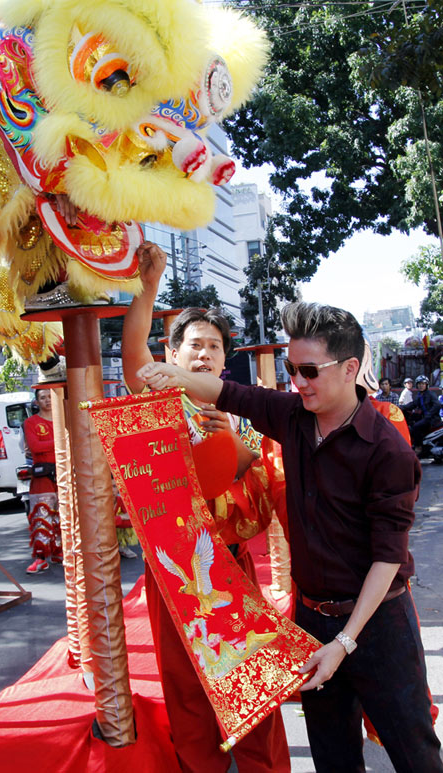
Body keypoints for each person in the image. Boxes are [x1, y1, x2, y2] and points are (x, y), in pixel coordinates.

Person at [137, 301, 443, 773]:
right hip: (311, 620)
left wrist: (343, 642)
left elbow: (388, 559)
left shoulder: (387, 449)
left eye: (308, 371)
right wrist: (172, 376)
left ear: (349, 369)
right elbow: (228, 391)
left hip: (377, 623)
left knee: (414, 753)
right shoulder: (293, 417)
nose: (296, 382)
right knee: (333, 756)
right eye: (289, 369)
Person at [121, 241, 290, 773]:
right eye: (193, 345)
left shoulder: (244, 415)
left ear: (225, 359)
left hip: (232, 570)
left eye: (214, 347)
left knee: (253, 698)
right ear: (172, 356)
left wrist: (239, 456)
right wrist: (148, 290)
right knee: (188, 696)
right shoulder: (160, 410)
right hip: (174, 577)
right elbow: (132, 362)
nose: (204, 355)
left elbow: (263, 504)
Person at [23, 388, 62, 573]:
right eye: (43, 397)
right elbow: (35, 447)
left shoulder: (64, 418)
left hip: (64, 473)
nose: (47, 400)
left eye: (49, 397)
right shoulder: (31, 422)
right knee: (42, 515)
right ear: (36, 402)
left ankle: (60, 552)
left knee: (65, 516)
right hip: (42, 477)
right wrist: (62, 439)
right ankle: (40, 557)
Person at [402, 374, 441, 453]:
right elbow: (413, 404)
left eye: (423, 384)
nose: (421, 386)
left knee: (416, 427)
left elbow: (437, 405)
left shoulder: (430, 394)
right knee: (411, 424)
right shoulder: (419, 395)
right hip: (425, 418)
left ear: (426, 385)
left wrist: (429, 415)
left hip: (432, 419)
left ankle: (418, 447)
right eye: (419, 384)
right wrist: (400, 407)